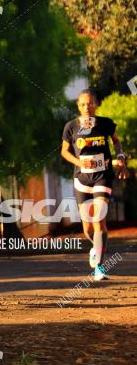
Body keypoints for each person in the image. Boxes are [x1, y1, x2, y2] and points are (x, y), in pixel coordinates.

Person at [61, 88, 129, 281]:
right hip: (82, 179)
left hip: (102, 177)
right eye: (83, 104)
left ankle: (99, 267)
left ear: (97, 104)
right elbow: (64, 152)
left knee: (99, 220)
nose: (87, 107)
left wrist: (121, 157)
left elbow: (116, 143)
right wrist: (78, 162)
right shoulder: (71, 127)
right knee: (88, 229)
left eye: (90, 103)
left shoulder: (106, 124)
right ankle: (95, 248)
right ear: (78, 106)